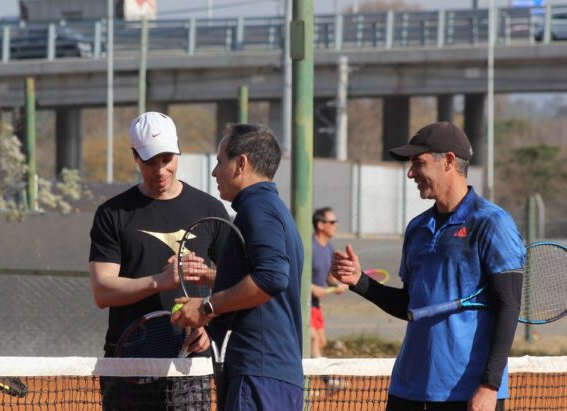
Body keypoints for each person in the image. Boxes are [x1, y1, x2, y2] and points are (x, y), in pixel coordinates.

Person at [332, 121, 525, 411]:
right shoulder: (417, 228)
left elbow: (509, 306)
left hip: (467, 392)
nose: (411, 174)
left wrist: (489, 385)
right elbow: (411, 306)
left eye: (418, 163)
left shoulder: (492, 222)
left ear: (448, 161)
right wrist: (361, 282)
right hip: (408, 389)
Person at [88, 112, 230, 410]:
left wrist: (209, 322)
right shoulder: (113, 214)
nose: (161, 170)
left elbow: (236, 282)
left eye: (167, 159)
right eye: (151, 161)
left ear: (178, 151)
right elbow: (102, 291)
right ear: (135, 157)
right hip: (126, 363)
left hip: (190, 363)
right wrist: (160, 281)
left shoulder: (210, 209)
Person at [171, 123, 304, 411]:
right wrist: (209, 279)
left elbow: (271, 278)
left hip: (259, 376)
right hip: (272, 376)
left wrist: (206, 307)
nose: (214, 171)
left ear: (241, 163)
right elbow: (262, 277)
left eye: (220, 161)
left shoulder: (258, 208)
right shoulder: (272, 208)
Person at [310, 207, 346, 358]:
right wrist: (312, 288)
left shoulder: (329, 248)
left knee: (321, 343)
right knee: (312, 340)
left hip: (316, 305)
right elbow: (295, 276)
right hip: (302, 305)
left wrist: (337, 285)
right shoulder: (309, 247)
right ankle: (327, 381)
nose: (336, 225)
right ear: (320, 225)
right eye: (332, 222)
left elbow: (329, 277)